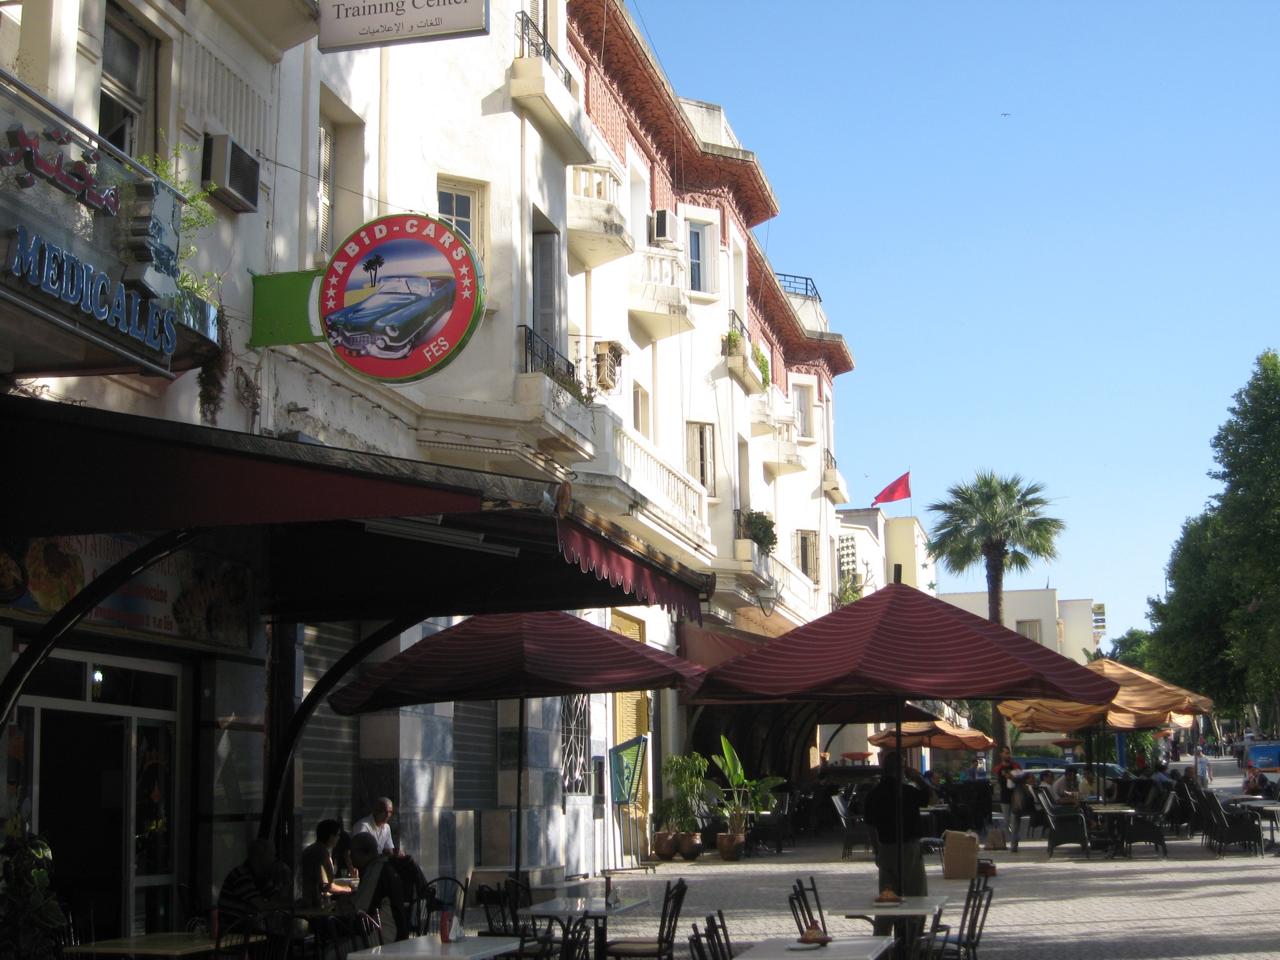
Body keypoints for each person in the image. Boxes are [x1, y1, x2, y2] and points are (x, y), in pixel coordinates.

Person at [863, 752, 929, 938]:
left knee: (888, 898)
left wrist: (877, 850)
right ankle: (912, 940)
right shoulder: (907, 792)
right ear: (900, 769)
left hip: (886, 848)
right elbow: (930, 797)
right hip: (909, 848)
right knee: (916, 896)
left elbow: (870, 826)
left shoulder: (874, 794)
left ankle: (881, 941)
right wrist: (918, 778)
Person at [341, 831, 410, 942]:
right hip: (389, 932)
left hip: (386, 936)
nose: (350, 858)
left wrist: (346, 903)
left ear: (364, 853)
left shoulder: (376, 871)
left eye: (352, 853)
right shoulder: (382, 867)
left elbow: (360, 908)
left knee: (333, 950)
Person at [218, 838, 293, 927]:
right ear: (259, 858)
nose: (274, 859)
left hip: (244, 928)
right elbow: (261, 905)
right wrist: (292, 905)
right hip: (231, 929)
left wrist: (286, 881)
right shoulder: (241, 875)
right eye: (272, 855)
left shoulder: (260, 877)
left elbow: (278, 900)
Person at [299, 819, 352, 908]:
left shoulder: (311, 849)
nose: (338, 838)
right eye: (338, 835)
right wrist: (348, 889)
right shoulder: (321, 853)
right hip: (313, 904)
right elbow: (327, 886)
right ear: (331, 836)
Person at [992, 746, 1023, 852]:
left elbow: (1021, 779)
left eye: (1009, 753)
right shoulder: (998, 768)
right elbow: (998, 781)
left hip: (1015, 796)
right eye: (1005, 753)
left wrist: (1012, 777)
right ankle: (1015, 836)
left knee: (1015, 821)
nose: (1008, 755)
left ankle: (1014, 845)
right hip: (1004, 797)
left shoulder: (1016, 766)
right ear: (1001, 754)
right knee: (1006, 822)